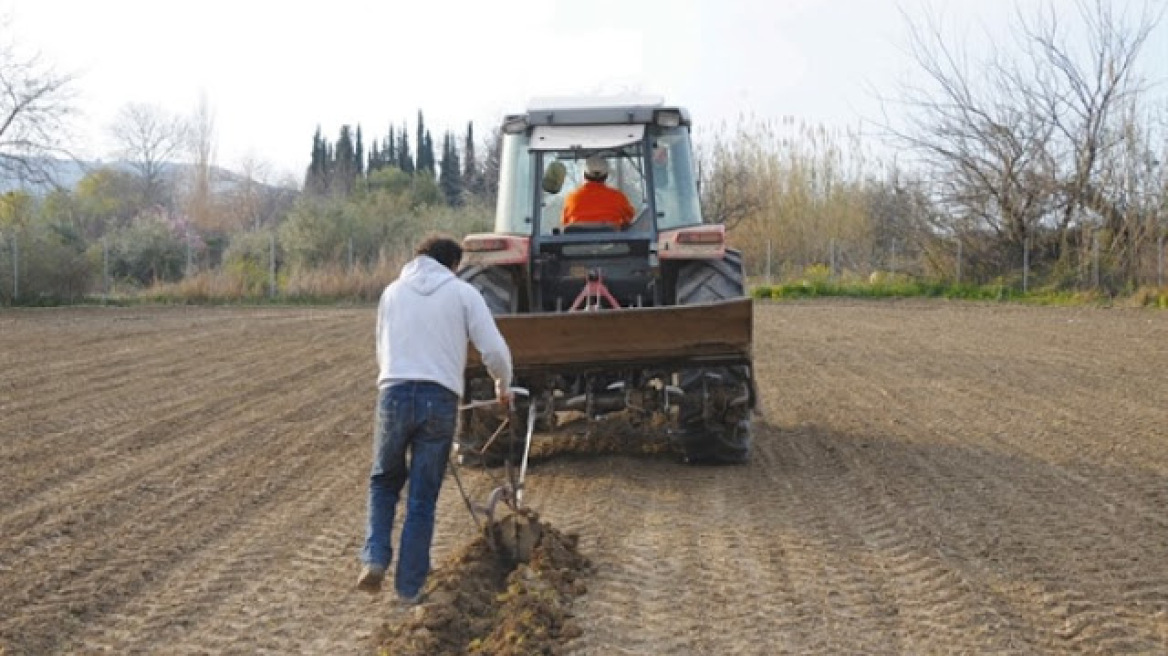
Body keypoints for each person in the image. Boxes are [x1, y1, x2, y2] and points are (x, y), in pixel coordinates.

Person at [357, 235, 513, 604]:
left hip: (393, 393)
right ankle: (409, 589)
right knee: (422, 498)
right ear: (454, 265)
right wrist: (502, 386)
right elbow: (494, 349)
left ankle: (375, 557)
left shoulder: (391, 293)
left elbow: (383, 347)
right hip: (439, 398)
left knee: (383, 481)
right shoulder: (462, 294)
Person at [561, 154, 636, 229]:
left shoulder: (571, 198)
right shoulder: (618, 197)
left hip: (578, 240)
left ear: (584, 175)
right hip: (610, 240)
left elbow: (565, 222)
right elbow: (629, 217)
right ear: (606, 175)